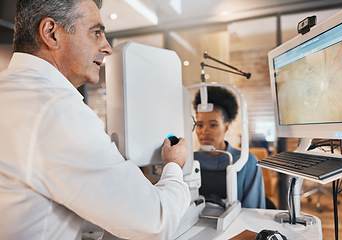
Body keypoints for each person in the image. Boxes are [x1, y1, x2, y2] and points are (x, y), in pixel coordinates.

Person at [0, 0, 190, 239]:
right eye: (96, 33)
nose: (107, 47)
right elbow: (155, 221)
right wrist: (174, 166)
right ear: (51, 33)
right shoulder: (57, 110)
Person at [193, 86, 266, 208]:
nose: (204, 131)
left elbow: (253, 210)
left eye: (213, 125)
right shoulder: (191, 161)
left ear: (226, 127)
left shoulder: (246, 162)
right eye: (199, 125)